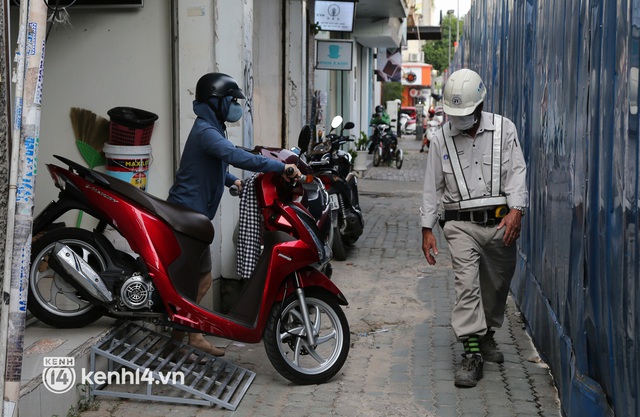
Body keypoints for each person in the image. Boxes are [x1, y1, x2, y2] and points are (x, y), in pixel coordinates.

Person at [167, 72, 301, 357]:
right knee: (193, 282)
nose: (236, 107)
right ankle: (187, 338)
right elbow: (235, 156)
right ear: (217, 103)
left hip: (196, 218)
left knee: (200, 282)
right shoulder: (206, 131)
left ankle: (184, 338)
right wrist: (279, 167)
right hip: (185, 216)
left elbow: (215, 164)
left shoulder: (211, 128)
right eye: (231, 101)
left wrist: (232, 181)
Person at [420, 68, 528, 388]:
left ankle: (486, 335)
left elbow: (517, 173)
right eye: (454, 114)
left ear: (480, 105)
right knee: (467, 286)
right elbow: (431, 187)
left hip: (500, 224)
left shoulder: (504, 129)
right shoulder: (441, 139)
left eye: (465, 113)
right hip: (459, 226)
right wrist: (427, 228)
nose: (459, 119)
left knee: (496, 286)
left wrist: (517, 211)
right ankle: (471, 353)